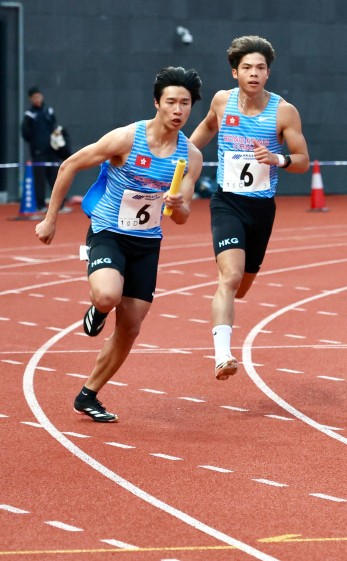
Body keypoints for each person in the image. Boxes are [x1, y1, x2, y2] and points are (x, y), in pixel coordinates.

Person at [33, 67, 205, 423]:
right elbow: (70, 165)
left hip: (146, 243)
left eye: (185, 103)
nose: (178, 110)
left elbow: (183, 216)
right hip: (109, 231)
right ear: (157, 102)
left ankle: (88, 395)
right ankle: (98, 309)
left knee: (131, 328)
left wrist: (177, 206)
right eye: (171, 101)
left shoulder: (190, 157)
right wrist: (51, 219)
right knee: (108, 296)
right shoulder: (127, 138)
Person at [190, 35, 311, 381]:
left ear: (268, 73)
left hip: (261, 208)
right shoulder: (221, 102)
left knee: (242, 286)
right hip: (227, 202)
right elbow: (205, 130)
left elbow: (303, 160)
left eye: (260, 68)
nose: (254, 73)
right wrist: (177, 155)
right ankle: (222, 355)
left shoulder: (284, 111)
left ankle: (226, 322)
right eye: (247, 68)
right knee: (228, 278)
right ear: (234, 72)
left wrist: (278, 158)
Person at [22, 87, 71, 213]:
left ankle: (60, 205)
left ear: (42, 96)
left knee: (55, 178)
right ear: (30, 99)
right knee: (39, 180)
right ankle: (40, 205)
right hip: (38, 153)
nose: (37, 99)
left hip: (52, 151)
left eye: (39, 96)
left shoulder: (48, 111)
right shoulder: (29, 115)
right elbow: (25, 134)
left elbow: (54, 125)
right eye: (34, 98)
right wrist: (37, 143)